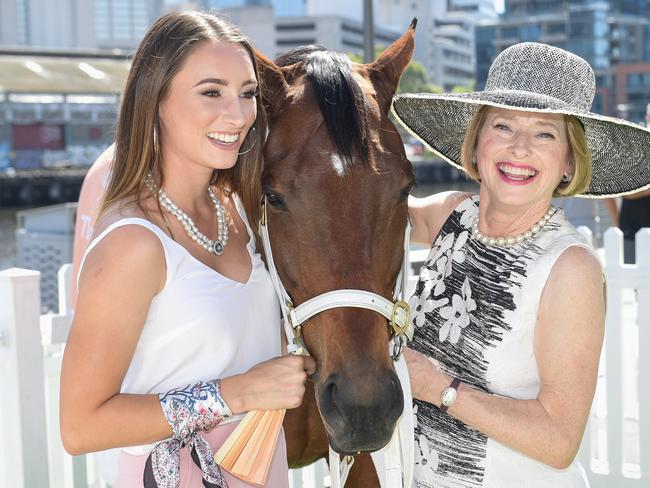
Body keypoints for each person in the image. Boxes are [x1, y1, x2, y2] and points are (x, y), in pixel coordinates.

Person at [60, 10, 315, 488]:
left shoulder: (238, 207)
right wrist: (236, 393)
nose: (237, 115)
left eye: (246, 94)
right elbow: (80, 426)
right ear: (157, 99)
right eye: (211, 92)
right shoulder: (133, 244)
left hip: (262, 469)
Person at [392, 42, 650, 487]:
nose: (520, 148)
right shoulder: (450, 215)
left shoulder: (571, 269)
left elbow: (559, 441)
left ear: (569, 163)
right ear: (476, 145)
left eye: (546, 134)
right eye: (503, 125)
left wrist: (440, 388)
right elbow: (359, 213)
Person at [604, 189, 650, 263]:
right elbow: (608, 193)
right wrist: (616, 224)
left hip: (629, 228)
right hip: (629, 231)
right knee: (631, 272)